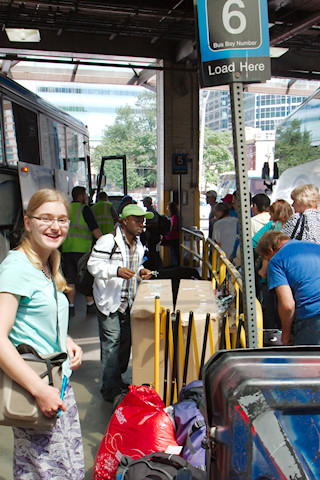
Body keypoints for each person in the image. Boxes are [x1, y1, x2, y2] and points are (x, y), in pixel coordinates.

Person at [0, 188, 84, 479]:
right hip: (37, 389)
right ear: (27, 222)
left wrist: (67, 341)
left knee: (67, 470)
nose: (55, 226)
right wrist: (39, 391)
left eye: (62, 219)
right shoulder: (17, 268)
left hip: (58, 385)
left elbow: (38, 319)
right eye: (45, 218)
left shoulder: (49, 263)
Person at [87, 204, 153, 402]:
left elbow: (136, 265)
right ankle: (109, 388)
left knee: (125, 341)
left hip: (127, 300)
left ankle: (116, 378)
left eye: (143, 219)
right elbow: (93, 265)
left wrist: (141, 273)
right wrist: (116, 271)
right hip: (109, 300)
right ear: (125, 221)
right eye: (137, 219)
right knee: (112, 343)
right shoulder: (108, 241)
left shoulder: (139, 244)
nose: (142, 223)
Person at [257, 230, 320, 346]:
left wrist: (285, 335)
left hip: (312, 318)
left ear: (270, 250)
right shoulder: (315, 247)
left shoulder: (277, 261)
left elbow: (287, 306)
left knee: (307, 363)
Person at [252, 199, 293, 329]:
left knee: (270, 308)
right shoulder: (293, 224)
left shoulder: (272, 226)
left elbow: (254, 242)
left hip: (270, 276)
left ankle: (272, 334)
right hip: (290, 275)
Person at [61, 186, 102, 316]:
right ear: (80, 197)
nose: (86, 197)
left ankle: (71, 307)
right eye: (85, 195)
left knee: (70, 279)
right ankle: (90, 305)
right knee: (85, 278)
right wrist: (103, 242)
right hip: (82, 251)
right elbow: (94, 228)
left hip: (67, 249)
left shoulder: (66, 209)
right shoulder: (84, 209)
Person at [142, 196, 162, 270]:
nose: (143, 203)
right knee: (151, 250)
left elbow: (155, 224)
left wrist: (145, 226)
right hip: (151, 235)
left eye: (144, 202)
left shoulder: (152, 212)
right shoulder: (149, 210)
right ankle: (154, 265)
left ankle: (155, 266)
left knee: (152, 250)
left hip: (153, 235)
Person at [163, 201, 180, 266]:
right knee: (173, 253)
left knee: (174, 253)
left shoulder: (174, 217)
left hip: (174, 237)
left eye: (168, 208)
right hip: (173, 237)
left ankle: (176, 266)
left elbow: (173, 227)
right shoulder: (174, 216)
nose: (167, 209)